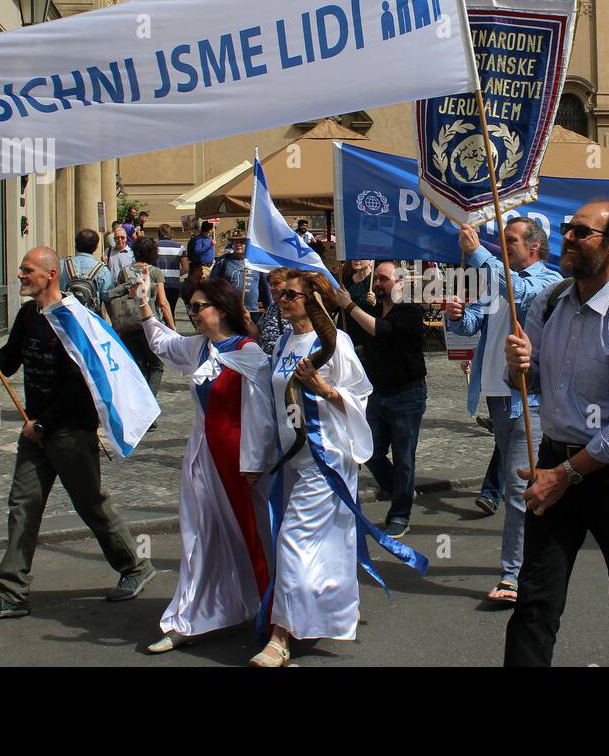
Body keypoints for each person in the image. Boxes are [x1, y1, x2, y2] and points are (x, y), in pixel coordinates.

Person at [503, 199, 609, 667]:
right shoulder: (547, 300)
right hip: (556, 460)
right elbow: (529, 382)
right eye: (567, 229)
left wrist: (566, 475)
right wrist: (515, 366)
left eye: (581, 232)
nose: (568, 238)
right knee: (535, 598)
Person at [0, 248, 155, 619]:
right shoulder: (28, 315)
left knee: (92, 505)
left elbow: (81, 384)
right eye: (20, 270)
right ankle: (12, 591)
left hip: (69, 432)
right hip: (36, 431)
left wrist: (43, 424)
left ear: (50, 275)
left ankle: (135, 567)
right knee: (23, 506)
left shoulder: (73, 320)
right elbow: (8, 363)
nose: (20, 275)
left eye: (27, 270)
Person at [133, 277, 273, 653]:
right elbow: (163, 343)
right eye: (190, 308)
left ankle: (267, 607)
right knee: (199, 535)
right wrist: (145, 304)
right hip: (202, 458)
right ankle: (190, 617)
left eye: (198, 307)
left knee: (250, 534)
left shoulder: (249, 353)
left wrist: (255, 462)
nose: (192, 314)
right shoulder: (198, 349)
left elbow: (261, 415)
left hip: (238, 464)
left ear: (222, 310)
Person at [251, 270, 383, 667]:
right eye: (280, 293)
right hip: (293, 457)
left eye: (291, 294)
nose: (282, 299)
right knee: (327, 541)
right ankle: (337, 608)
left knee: (292, 539)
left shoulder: (336, 342)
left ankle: (281, 637)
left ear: (313, 299)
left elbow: (360, 394)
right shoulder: (284, 343)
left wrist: (325, 390)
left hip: (327, 459)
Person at [442, 218, 558, 603]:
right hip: (496, 395)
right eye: (501, 241)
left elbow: (521, 295)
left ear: (535, 247)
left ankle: (513, 575)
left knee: (519, 488)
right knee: (520, 486)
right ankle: (540, 554)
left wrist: (477, 253)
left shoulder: (548, 281)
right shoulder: (497, 278)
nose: (502, 247)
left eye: (510, 242)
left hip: (530, 398)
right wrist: (456, 314)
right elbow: (471, 325)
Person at [337, 261, 427, 538]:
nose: (377, 283)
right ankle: (400, 490)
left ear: (400, 282)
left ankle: (400, 514)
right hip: (378, 393)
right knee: (371, 451)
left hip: (407, 394)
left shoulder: (410, 310)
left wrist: (350, 305)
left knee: (403, 458)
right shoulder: (375, 308)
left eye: (384, 279)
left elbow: (381, 330)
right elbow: (361, 337)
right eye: (377, 279)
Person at [124, 237, 177, 400]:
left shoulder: (124, 271)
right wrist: (172, 325)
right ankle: (150, 405)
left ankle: (142, 407)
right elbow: (163, 302)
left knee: (138, 367)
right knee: (156, 367)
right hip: (150, 326)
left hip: (128, 325)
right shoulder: (155, 272)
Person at [59, 228, 113, 314]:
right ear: (96, 247)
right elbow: (107, 297)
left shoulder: (62, 265)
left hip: (66, 316)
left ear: (75, 245)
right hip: (91, 319)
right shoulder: (102, 270)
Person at [211, 234, 262, 323]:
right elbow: (213, 283)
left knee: (252, 336)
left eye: (242, 242)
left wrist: (270, 306)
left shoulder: (256, 262)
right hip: (230, 308)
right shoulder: (223, 261)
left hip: (251, 310)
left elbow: (264, 287)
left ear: (248, 245)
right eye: (235, 242)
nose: (238, 245)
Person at [338, 259, 376, 354]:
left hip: (366, 337)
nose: (357, 259)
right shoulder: (345, 280)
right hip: (346, 332)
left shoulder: (376, 281)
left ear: (371, 260)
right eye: (354, 256)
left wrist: (375, 303)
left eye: (362, 256)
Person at [254, 268, 293, 355]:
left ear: (290, 283)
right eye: (270, 284)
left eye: (276, 283)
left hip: (286, 362)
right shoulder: (271, 309)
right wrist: (247, 321)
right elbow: (258, 334)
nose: (271, 288)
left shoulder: (297, 309)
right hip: (267, 363)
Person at [155, 224, 186, 316]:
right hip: (173, 284)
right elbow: (186, 268)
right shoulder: (180, 247)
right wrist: (175, 274)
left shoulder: (153, 246)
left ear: (158, 234)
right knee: (170, 310)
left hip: (157, 283)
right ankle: (171, 327)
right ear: (171, 233)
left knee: (157, 311)